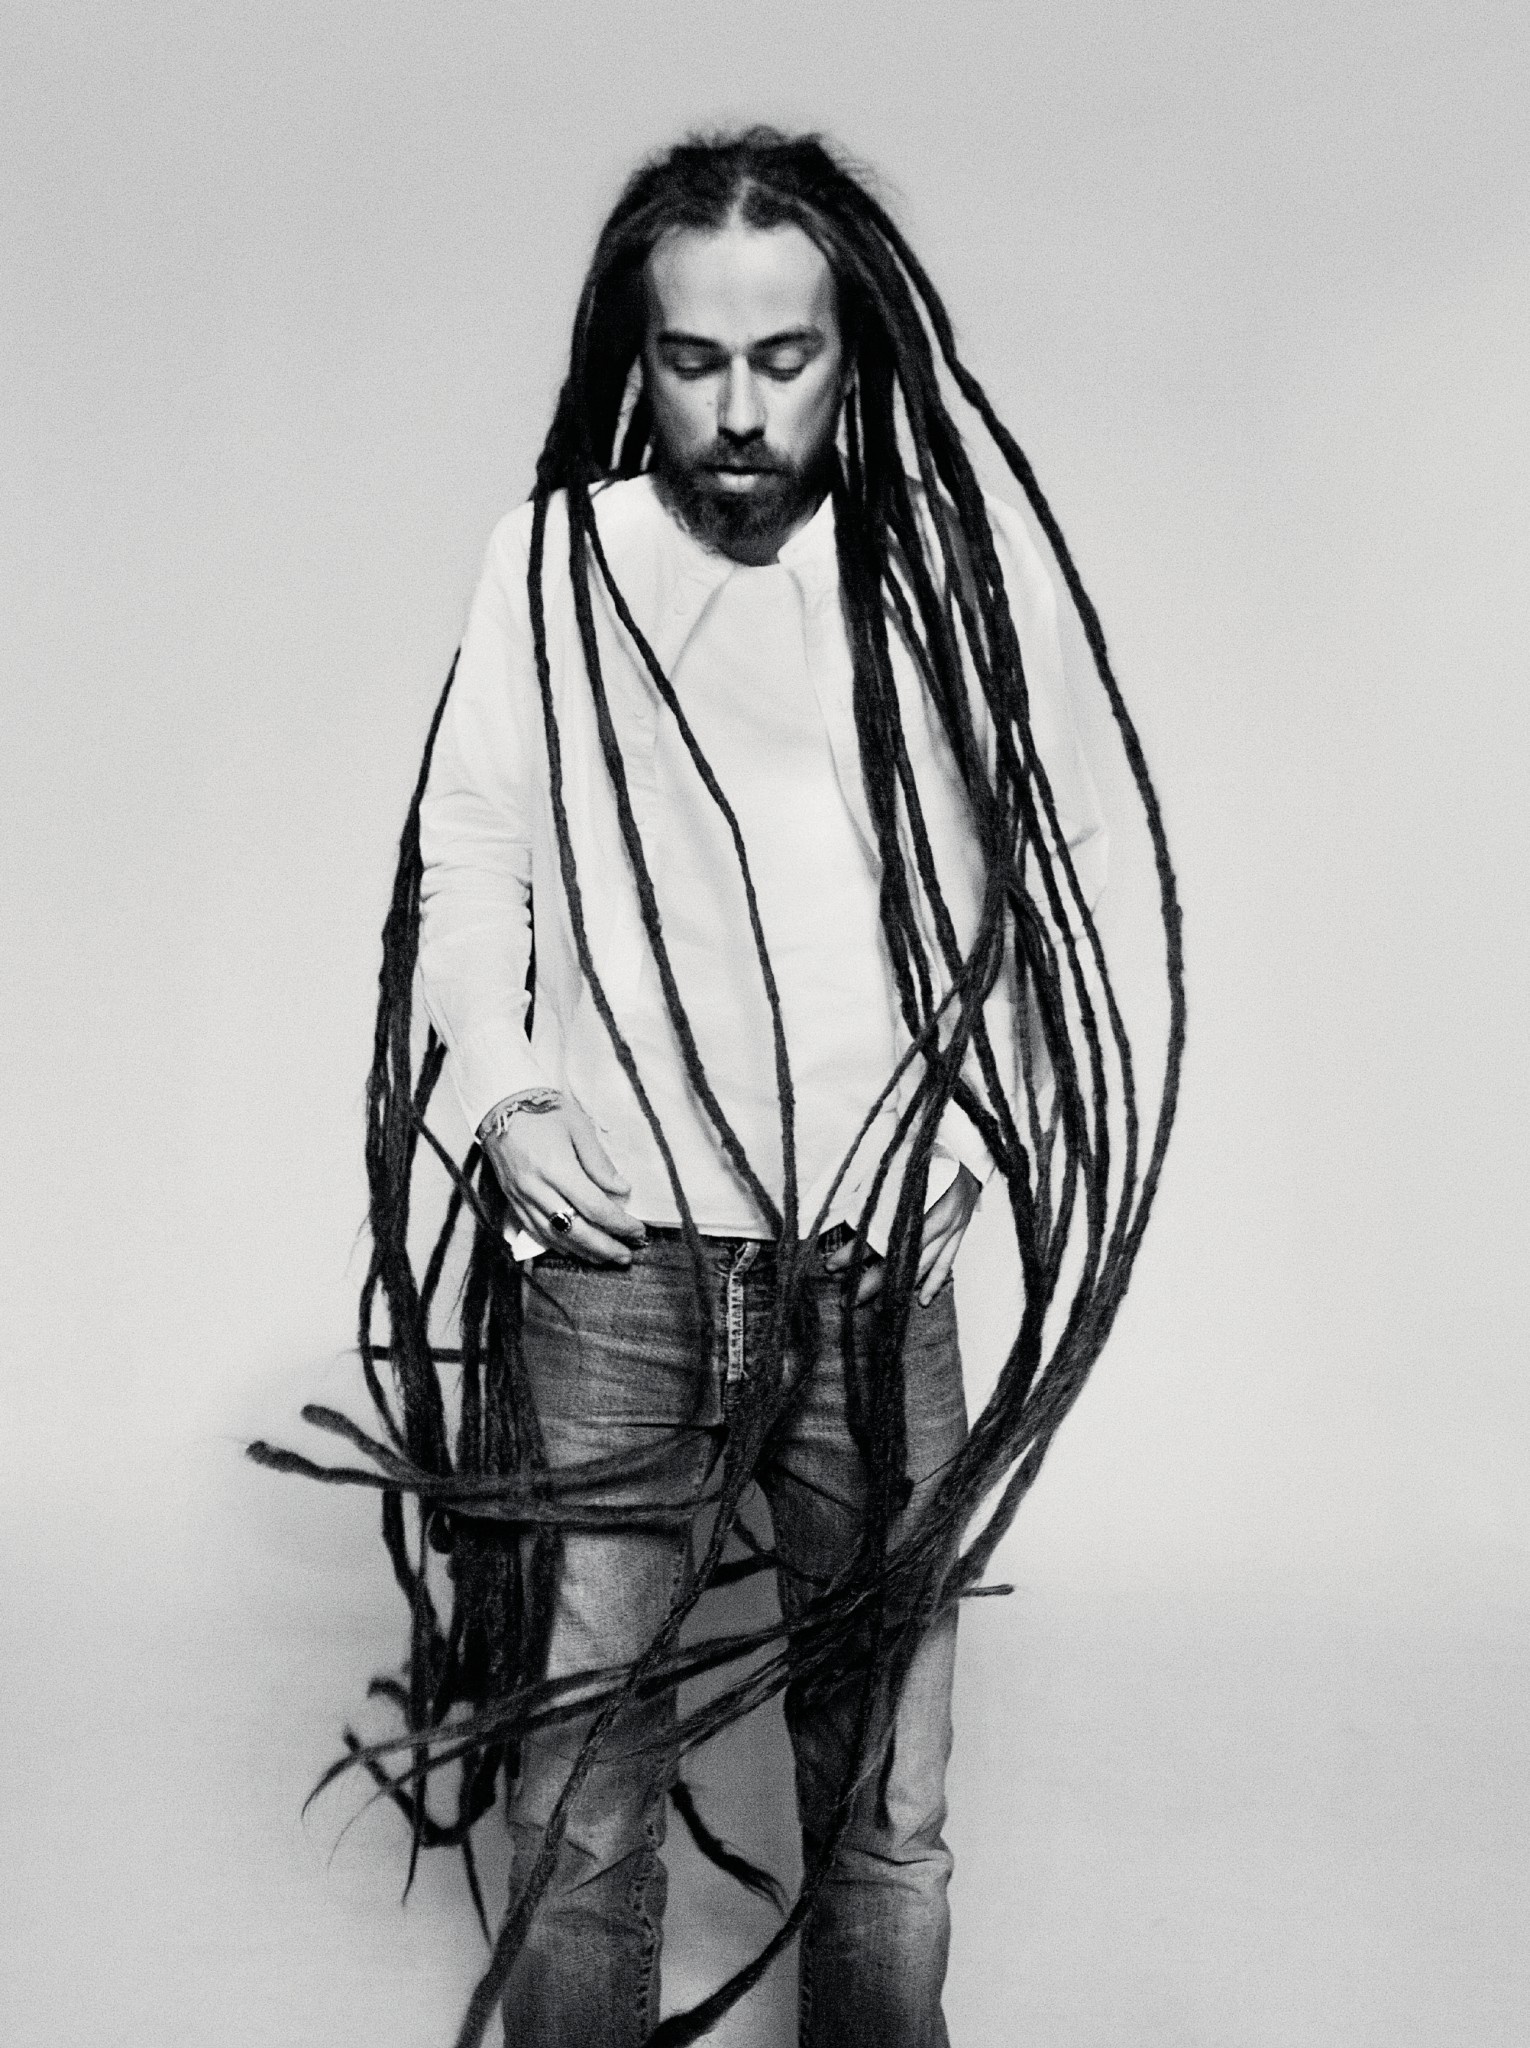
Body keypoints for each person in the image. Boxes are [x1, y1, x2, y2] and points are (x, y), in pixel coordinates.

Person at [412, 127, 1108, 2048]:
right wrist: (502, 1093)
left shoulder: (941, 579)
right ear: (633, 359)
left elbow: (1030, 884)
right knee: (576, 1805)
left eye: (783, 358)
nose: (737, 410)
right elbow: (472, 853)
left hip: (868, 1278)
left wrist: (970, 1130)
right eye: (694, 359)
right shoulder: (551, 563)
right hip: (615, 1273)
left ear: (848, 354)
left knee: (887, 1817)